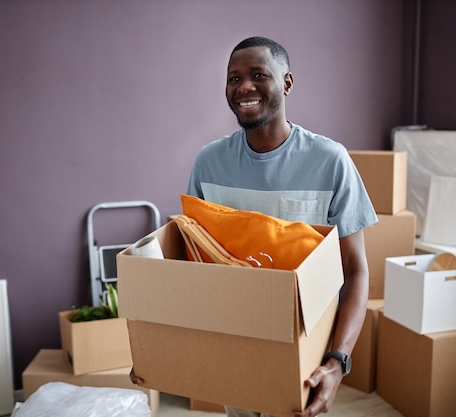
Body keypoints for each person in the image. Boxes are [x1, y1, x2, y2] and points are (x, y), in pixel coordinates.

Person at [134, 36, 378, 417]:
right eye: (234, 78)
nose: (244, 86)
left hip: (303, 353)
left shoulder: (331, 161)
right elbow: (191, 263)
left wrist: (337, 362)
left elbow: (356, 270)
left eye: (258, 75)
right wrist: (156, 346)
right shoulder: (208, 163)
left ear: (287, 83)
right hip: (233, 343)